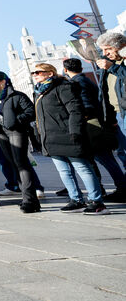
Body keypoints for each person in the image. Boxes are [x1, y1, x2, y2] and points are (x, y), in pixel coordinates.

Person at [32, 63, 109, 215]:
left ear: (50, 73)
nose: (35, 75)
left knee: (82, 168)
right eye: (34, 72)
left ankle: (97, 201)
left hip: (68, 134)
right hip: (50, 137)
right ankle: (76, 200)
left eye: (39, 72)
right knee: (64, 171)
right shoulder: (39, 92)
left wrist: (75, 132)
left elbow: (75, 110)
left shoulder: (64, 86)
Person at [64, 57, 126, 203]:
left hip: (91, 125)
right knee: (101, 158)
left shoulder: (77, 83)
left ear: (65, 70)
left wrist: (81, 117)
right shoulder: (84, 80)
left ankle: (122, 187)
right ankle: (115, 187)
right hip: (96, 122)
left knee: (104, 157)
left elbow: (86, 105)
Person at [0, 71, 40, 213]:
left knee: (22, 164)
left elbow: (31, 112)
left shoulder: (17, 96)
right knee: (13, 164)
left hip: (15, 131)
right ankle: (25, 197)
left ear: (3, 81)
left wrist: (16, 121)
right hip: (0, 133)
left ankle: (31, 201)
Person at [97, 31, 126, 169]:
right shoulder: (109, 64)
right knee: (122, 151)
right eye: (103, 50)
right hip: (116, 113)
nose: (105, 53)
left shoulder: (121, 62)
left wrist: (113, 67)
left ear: (121, 46)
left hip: (124, 111)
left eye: (108, 49)